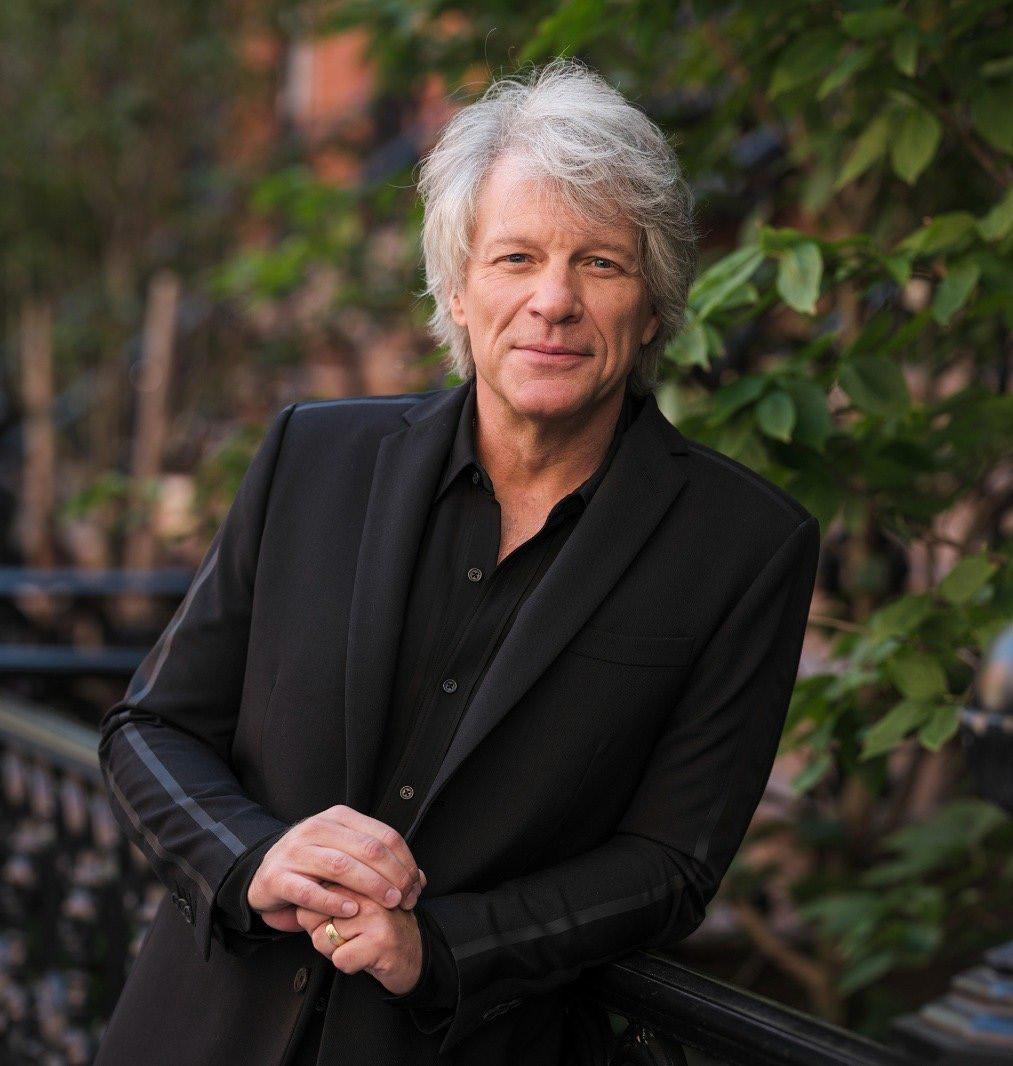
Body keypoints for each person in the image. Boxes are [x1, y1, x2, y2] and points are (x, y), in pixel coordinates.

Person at [94, 56, 820, 1066]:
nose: (553, 300)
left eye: (600, 264)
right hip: (200, 1034)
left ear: (652, 307)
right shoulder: (314, 456)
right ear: (458, 290)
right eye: (515, 258)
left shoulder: (743, 546)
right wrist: (252, 857)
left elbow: (670, 865)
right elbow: (151, 727)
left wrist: (440, 947)